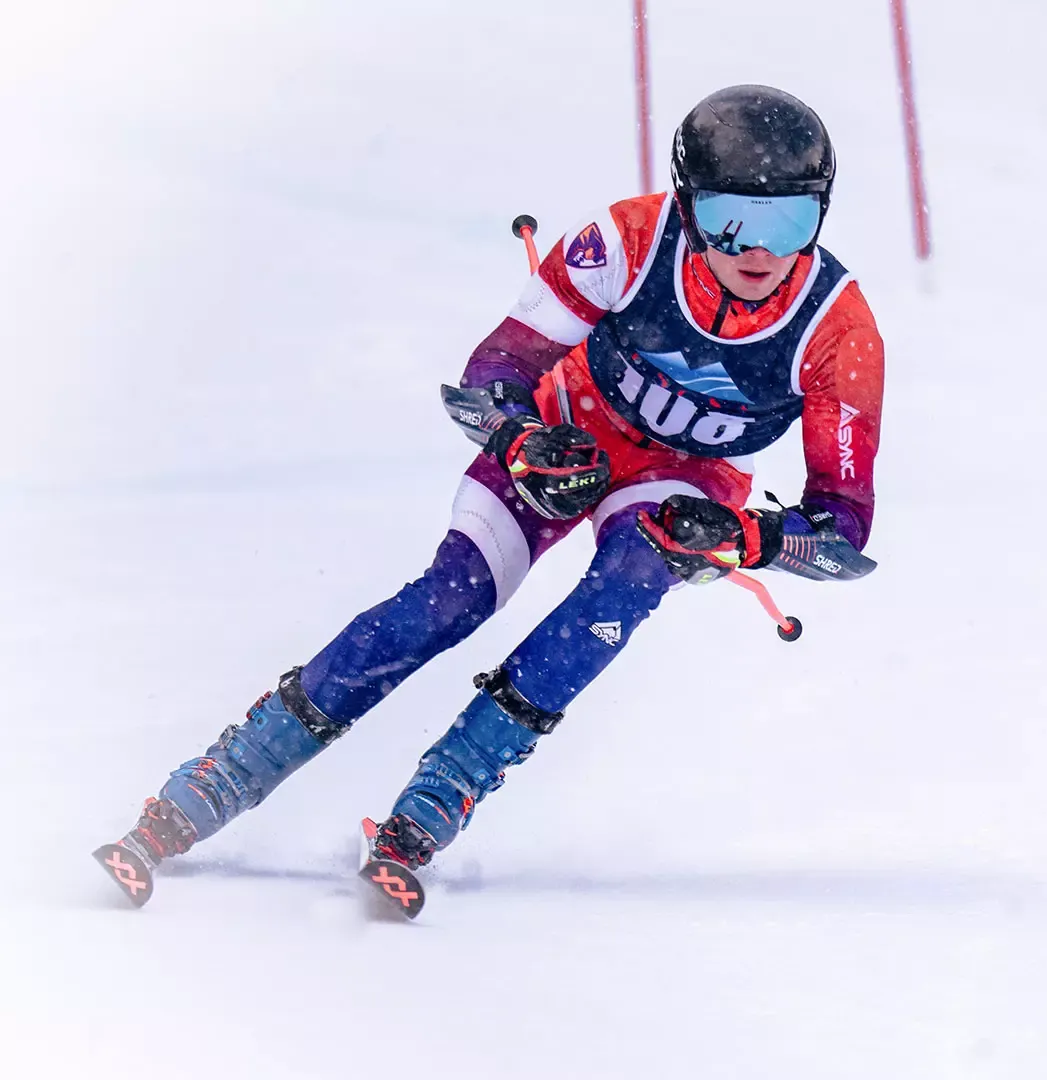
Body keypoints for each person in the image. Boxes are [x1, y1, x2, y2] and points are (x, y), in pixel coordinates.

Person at [94, 84, 884, 903]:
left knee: (625, 585)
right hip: (569, 424)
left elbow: (841, 534)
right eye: (731, 218)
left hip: (681, 481)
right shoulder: (627, 240)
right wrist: (520, 437)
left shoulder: (839, 332)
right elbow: (491, 377)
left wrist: (746, 538)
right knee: (453, 599)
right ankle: (219, 779)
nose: (758, 251)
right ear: (686, 206)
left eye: (791, 222)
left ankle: (438, 800)